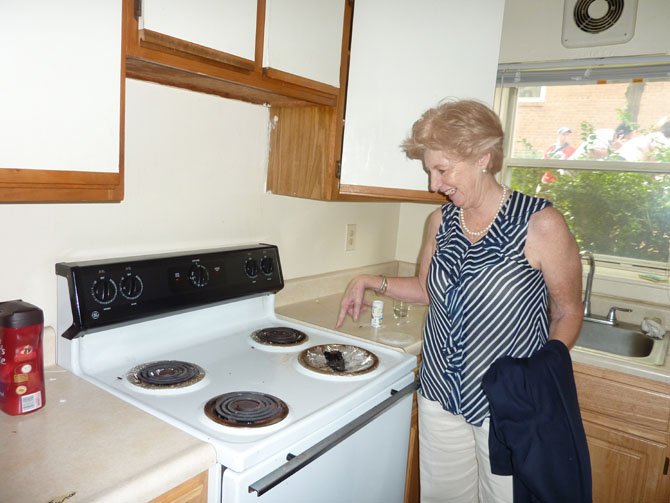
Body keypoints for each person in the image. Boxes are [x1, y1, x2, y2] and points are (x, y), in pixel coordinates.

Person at [336, 99, 584, 502]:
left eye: (442, 170)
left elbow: (569, 311)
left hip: (507, 404)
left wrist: (540, 372)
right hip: (439, 393)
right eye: (430, 171)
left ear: (483, 159)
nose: (434, 185)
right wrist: (370, 280)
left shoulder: (540, 224)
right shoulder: (441, 221)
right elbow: (426, 289)